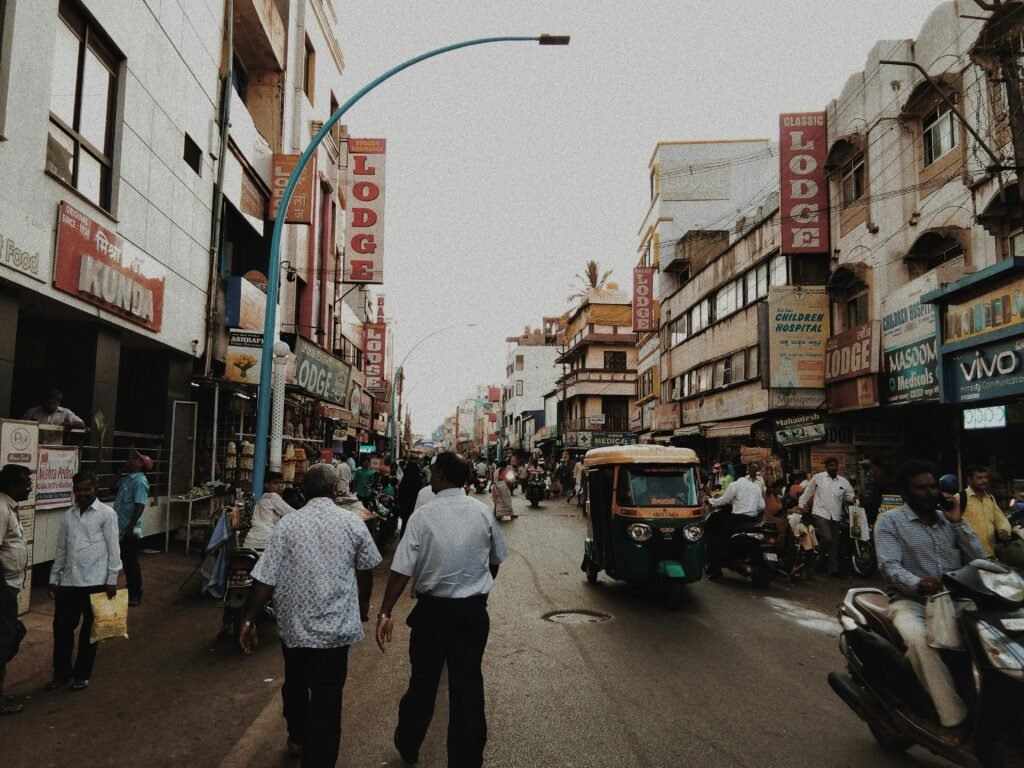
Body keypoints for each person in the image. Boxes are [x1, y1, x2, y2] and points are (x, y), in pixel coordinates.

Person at [239, 464, 381, 765]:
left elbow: (266, 577)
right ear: (333, 490)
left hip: (296, 627)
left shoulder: (288, 525)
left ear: (304, 491)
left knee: (295, 685)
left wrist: (249, 618)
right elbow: (367, 569)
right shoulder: (352, 523)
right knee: (328, 700)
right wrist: (363, 606)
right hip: (335, 629)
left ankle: (298, 736)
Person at [376, 453, 508, 768]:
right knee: (468, 688)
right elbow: (495, 559)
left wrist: (385, 611)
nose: (430, 478)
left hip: (432, 615)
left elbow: (401, 571)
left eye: (433, 472)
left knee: (423, 683)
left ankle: (408, 742)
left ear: (442, 476)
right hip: (471, 615)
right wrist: (479, 588)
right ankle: (466, 760)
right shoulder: (481, 513)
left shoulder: (423, 516)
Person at [874, 459, 986, 744]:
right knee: (919, 642)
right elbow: (889, 566)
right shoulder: (890, 522)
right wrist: (918, 582)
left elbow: (979, 558)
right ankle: (952, 719)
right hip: (911, 602)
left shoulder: (948, 521)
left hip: (955, 601)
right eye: (921, 488)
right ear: (906, 491)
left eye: (932, 486)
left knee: (993, 638)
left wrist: (958, 522)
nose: (929, 492)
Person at [46, 472, 121, 692]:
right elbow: (61, 549)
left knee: (90, 631)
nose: (82, 494)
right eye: (78, 490)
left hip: (96, 582)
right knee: (61, 629)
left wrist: (111, 579)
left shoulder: (107, 514)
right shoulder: (68, 516)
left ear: (95, 489)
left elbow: (114, 549)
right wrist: (53, 577)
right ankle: (61, 674)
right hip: (69, 582)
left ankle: (82, 674)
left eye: (86, 489)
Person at [0, 464, 32, 714]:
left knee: (9, 636)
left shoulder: (9, 506)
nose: (29, 487)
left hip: (10, 585)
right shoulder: (1, 508)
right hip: (3, 587)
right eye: (24, 483)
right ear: (10, 485)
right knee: (5, 640)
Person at [706, 463, 765, 580]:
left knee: (719, 541)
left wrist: (710, 501)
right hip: (753, 520)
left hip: (737, 519)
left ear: (735, 474)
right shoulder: (756, 487)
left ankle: (717, 570)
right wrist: (751, 510)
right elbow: (762, 506)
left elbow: (724, 500)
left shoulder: (735, 485)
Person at [799, 457, 855, 578]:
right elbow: (808, 492)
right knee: (828, 538)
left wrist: (853, 498)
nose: (833, 467)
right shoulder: (818, 477)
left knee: (834, 544)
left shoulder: (843, 482)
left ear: (837, 466)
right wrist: (801, 505)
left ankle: (833, 570)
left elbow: (849, 495)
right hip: (820, 513)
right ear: (826, 467)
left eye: (835, 465)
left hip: (835, 515)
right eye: (830, 465)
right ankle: (819, 555)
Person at [114, 451, 151, 606]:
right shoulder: (126, 479)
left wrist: (131, 525)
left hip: (129, 529)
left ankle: (134, 592)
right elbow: (111, 489)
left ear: (141, 465)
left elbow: (140, 505)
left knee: (130, 562)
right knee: (125, 560)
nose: (131, 460)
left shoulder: (140, 481)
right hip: (119, 527)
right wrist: (119, 473)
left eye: (135, 459)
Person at [960, 465, 1012, 558]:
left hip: (990, 554)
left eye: (986, 477)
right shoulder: (960, 498)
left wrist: (1004, 530)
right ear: (969, 480)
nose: (984, 481)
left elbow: (1000, 519)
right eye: (979, 478)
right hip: (969, 556)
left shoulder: (990, 498)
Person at [245, 471, 296, 550]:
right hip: (265, 542)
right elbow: (292, 513)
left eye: (280, 483)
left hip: (250, 541)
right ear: (266, 485)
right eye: (275, 483)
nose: (279, 485)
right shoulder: (273, 496)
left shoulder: (262, 499)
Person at [22, 387, 86, 428]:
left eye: (54, 403)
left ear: (59, 402)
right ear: (44, 402)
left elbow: (81, 424)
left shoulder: (65, 412)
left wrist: (63, 423)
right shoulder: (32, 412)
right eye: (48, 403)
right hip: (35, 446)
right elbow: (21, 426)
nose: (50, 406)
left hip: (54, 448)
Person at [397, 461, 423, 538]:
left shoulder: (405, 478)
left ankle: (403, 539)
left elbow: (401, 492)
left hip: (405, 506)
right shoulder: (418, 479)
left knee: (404, 524)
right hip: (414, 505)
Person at [858, 459, 882, 526]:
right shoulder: (867, 473)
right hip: (867, 498)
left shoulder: (872, 472)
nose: (862, 467)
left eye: (863, 465)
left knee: (871, 515)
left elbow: (873, 484)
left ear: (867, 466)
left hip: (871, 498)